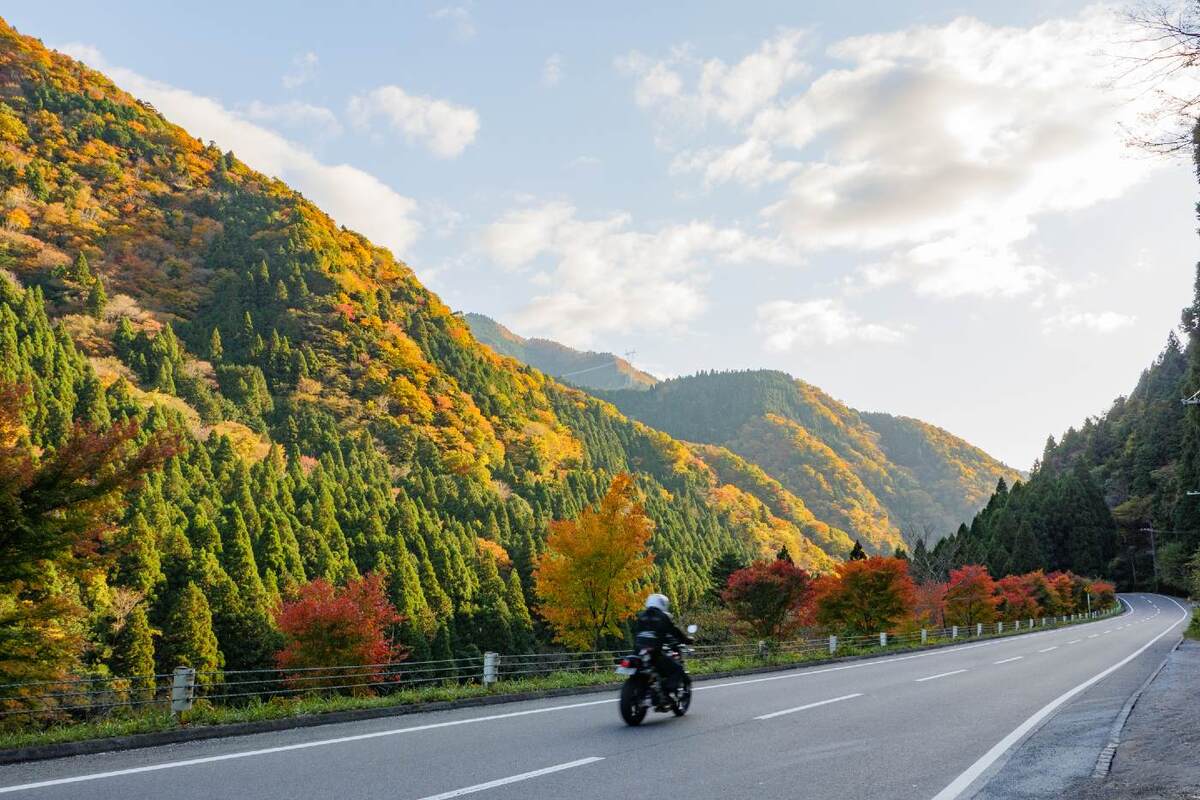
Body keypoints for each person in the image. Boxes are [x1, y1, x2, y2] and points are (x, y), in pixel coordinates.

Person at [633, 593, 693, 699]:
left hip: (638, 651)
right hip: (654, 652)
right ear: (663, 604)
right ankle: (666, 692)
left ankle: (649, 688)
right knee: (677, 669)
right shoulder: (662, 616)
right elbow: (674, 631)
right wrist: (687, 640)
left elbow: (638, 632)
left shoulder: (641, 616)